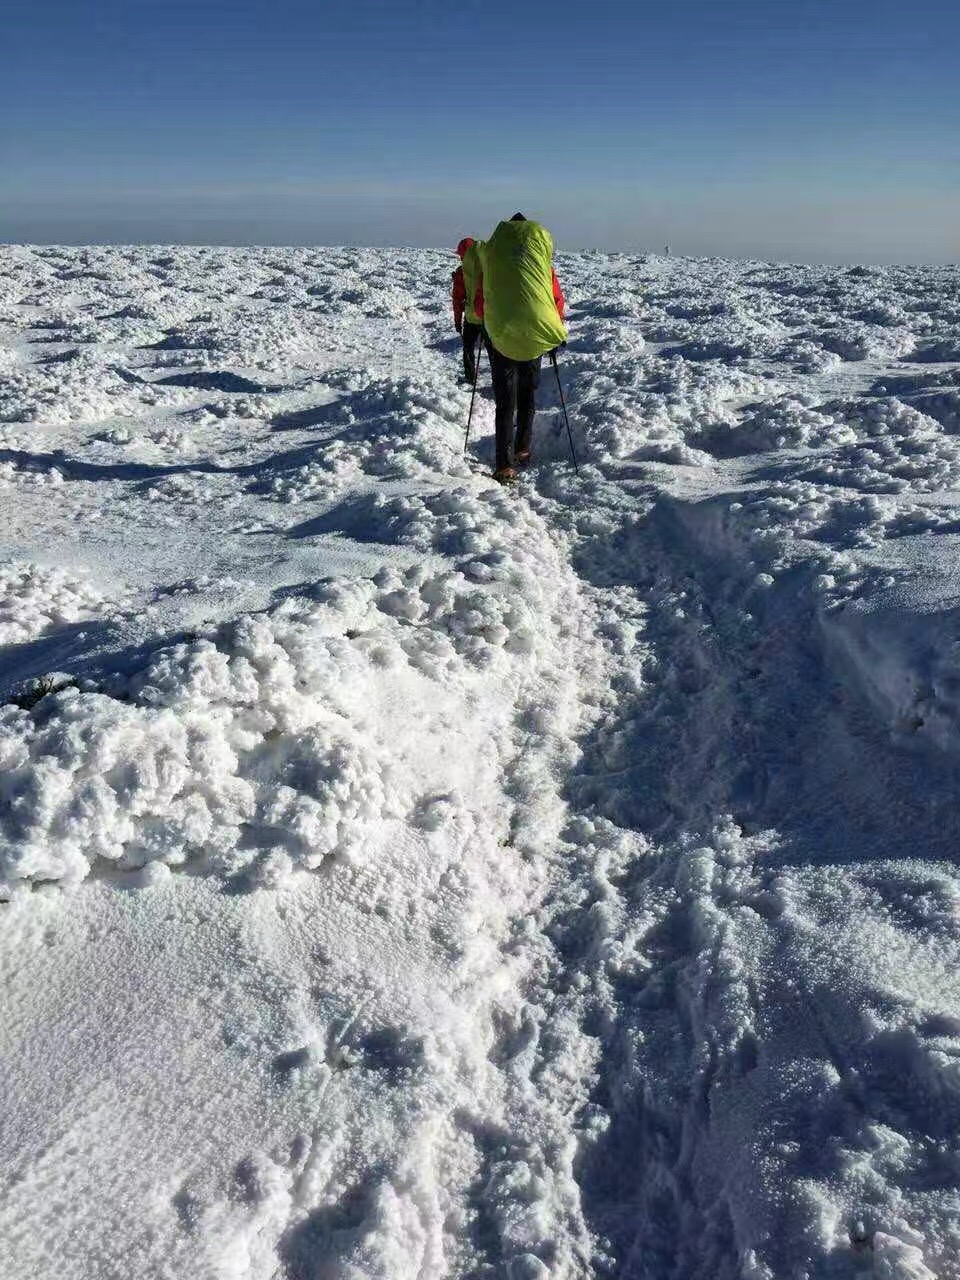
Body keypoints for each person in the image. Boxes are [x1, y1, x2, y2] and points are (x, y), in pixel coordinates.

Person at [477, 214, 566, 482]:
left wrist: (486, 325)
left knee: (505, 401)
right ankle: (523, 449)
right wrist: (554, 330)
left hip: (501, 334)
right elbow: (555, 300)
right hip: (534, 334)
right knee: (527, 394)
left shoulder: (493, 261)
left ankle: (504, 466)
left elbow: (482, 301)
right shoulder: (541, 268)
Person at [451, 237, 484, 383]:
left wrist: (457, 321)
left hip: (471, 316)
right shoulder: (488, 267)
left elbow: (457, 300)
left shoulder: (461, 272)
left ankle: (471, 377)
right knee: (494, 351)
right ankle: (499, 379)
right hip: (488, 316)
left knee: (468, 348)